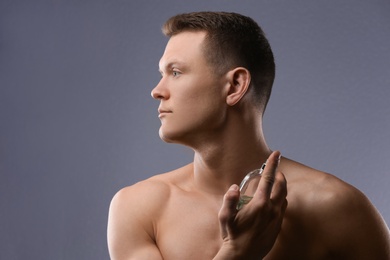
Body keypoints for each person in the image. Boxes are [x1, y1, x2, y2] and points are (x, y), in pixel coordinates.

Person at [107, 12, 390, 259]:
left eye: (176, 72)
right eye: (161, 74)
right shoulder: (139, 210)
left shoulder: (335, 207)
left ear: (235, 86)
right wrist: (238, 253)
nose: (157, 90)